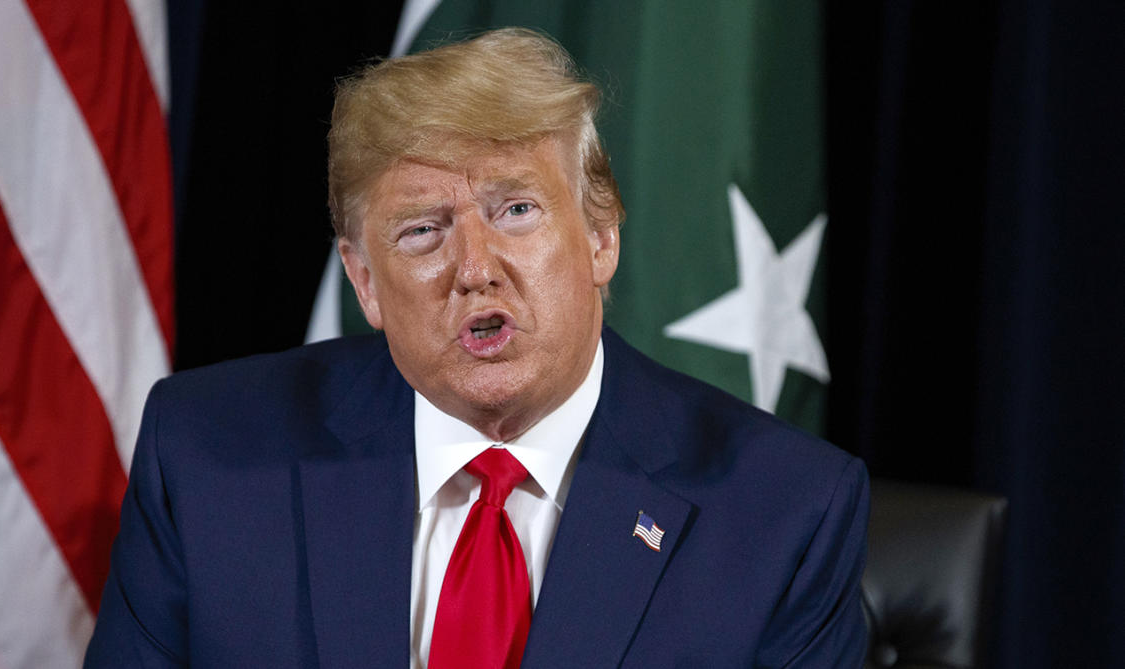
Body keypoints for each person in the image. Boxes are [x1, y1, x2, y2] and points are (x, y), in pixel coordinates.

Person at [85, 28, 868, 668]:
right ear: (364, 281)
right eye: (424, 230)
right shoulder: (206, 458)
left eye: (517, 210)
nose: (475, 268)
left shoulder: (783, 512)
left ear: (601, 237)